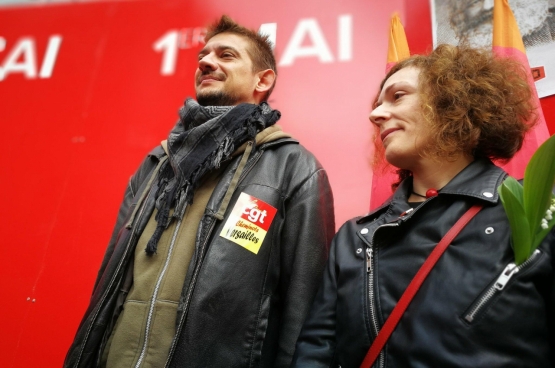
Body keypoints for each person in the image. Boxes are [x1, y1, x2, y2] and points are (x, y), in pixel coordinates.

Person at [64, 15, 335, 368]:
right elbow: (109, 283)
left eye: (226, 55)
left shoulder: (292, 168)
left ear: (263, 79)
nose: (206, 62)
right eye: (204, 56)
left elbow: (306, 304)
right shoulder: (158, 164)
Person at [292, 44, 555, 367]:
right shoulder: (354, 238)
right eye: (377, 104)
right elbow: (316, 351)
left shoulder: (538, 210)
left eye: (397, 96)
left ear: (453, 102)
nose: (374, 115)